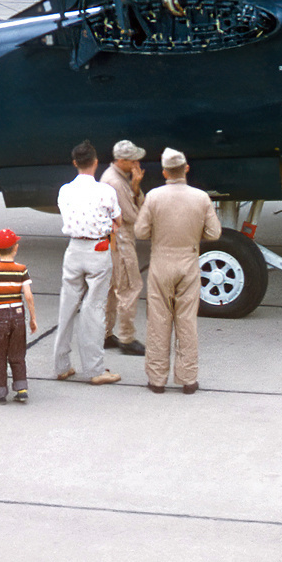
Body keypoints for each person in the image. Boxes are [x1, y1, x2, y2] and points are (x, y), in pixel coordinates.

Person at [135, 148, 222, 394]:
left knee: (158, 322)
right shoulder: (201, 198)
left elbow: (141, 232)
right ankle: (188, 379)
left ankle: (157, 379)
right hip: (188, 262)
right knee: (186, 322)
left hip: (161, 263)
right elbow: (214, 233)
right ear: (186, 168)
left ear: (164, 172)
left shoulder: (153, 197)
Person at [54, 140, 122, 385]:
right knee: (93, 310)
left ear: (75, 163)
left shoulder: (64, 190)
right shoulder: (105, 191)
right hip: (97, 248)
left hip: (74, 249)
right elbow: (118, 221)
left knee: (67, 306)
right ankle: (94, 369)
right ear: (95, 162)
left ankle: (61, 365)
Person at [101, 139, 147, 356]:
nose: (137, 163)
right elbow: (134, 216)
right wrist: (136, 190)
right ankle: (127, 337)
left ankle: (105, 333)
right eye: (133, 160)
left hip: (111, 241)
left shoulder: (114, 178)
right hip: (121, 241)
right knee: (129, 287)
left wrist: (135, 186)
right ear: (122, 160)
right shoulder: (117, 183)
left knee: (111, 288)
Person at [0, 228, 36, 403]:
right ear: (16, 248)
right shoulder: (21, 269)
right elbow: (28, 295)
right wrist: (33, 317)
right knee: (18, 353)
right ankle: (21, 388)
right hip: (18, 315)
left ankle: (0, 391)